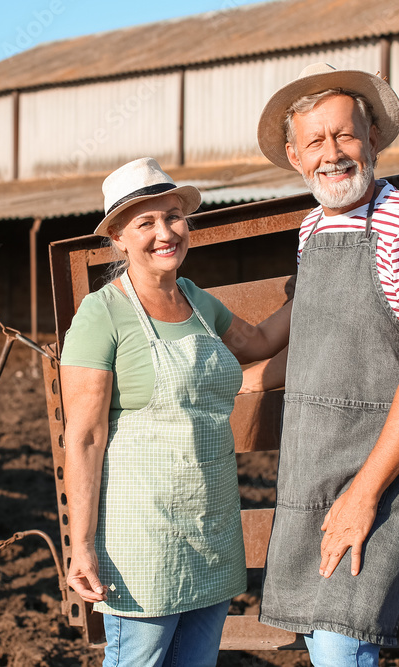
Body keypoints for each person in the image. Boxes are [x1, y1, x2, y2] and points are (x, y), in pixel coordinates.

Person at [246, 64, 399, 665]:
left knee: (345, 644)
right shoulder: (312, 227)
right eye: (315, 141)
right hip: (310, 467)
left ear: (373, 140)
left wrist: (364, 493)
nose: (333, 154)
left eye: (345, 136)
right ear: (295, 157)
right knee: (324, 641)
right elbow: (318, 339)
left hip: (379, 468)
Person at [59, 157, 290, 667]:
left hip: (210, 524)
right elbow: (85, 438)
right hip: (140, 535)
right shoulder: (102, 313)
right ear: (118, 236)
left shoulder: (196, 300)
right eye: (146, 222)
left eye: (174, 217)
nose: (165, 232)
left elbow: (261, 341)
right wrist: (82, 545)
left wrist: (318, 282)